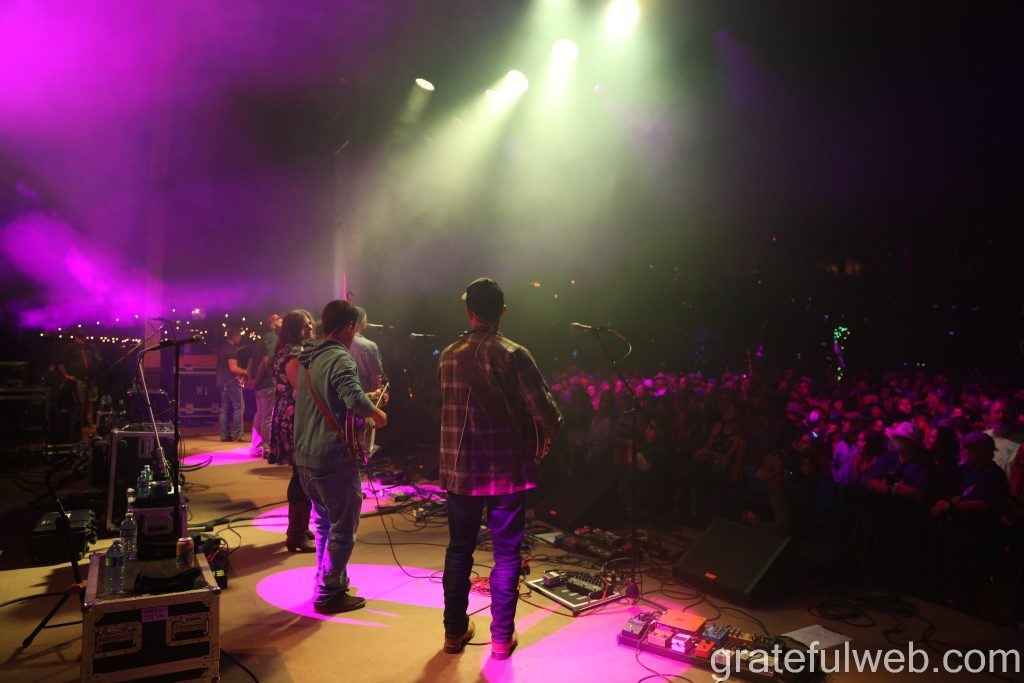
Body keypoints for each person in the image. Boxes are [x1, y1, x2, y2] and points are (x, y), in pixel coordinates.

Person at [439, 277, 561, 660]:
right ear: (502, 312)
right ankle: (501, 639)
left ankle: (454, 633)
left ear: (469, 312)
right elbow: (545, 412)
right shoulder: (514, 354)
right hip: (506, 471)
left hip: (460, 469)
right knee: (507, 556)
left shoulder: (448, 355)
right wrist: (548, 430)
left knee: (459, 551)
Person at [294, 300, 387, 614]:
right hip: (332, 456)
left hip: (305, 456)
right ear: (349, 327)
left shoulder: (309, 356)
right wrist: (378, 413)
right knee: (344, 529)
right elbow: (354, 400)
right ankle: (329, 591)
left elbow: (332, 396)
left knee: (324, 524)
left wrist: (366, 399)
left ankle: (326, 581)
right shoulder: (339, 357)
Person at [268, 310, 316, 552]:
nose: (311, 328)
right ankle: (296, 534)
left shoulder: (285, 350)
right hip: (295, 416)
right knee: (302, 474)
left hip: (288, 413)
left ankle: (298, 528)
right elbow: (303, 389)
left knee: (300, 473)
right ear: (296, 328)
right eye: (307, 325)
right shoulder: (295, 353)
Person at [248, 313, 282, 457]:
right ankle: (267, 448)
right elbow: (267, 359)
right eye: (280, 320)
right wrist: (255, 379)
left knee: (260, 415)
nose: (283, 322)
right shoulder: (273, 338)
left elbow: (251, 361)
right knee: (267, 416)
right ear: (273, 324)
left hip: (260, 384)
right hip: (267, 382)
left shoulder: (261, 339)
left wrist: (251, 379)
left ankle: (256, 447)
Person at [58, 332, 101, 431]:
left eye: (84, 338)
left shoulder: (89, 349)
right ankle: (79, 422)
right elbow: (60, 363)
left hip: (91, 379)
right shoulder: (70, 348)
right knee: (80, 401)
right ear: (76, 338)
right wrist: (66, 375)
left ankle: (89, 420)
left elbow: (99, 360)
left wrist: (95, 351)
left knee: (91, 400)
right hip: (78, 379)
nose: (83, 340)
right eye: (81, 338)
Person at [216, 328, 247, 441]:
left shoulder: (223, 348)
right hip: (231, 381)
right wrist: (246, 371)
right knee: (239, 407)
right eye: (239, 335)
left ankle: (224, 435)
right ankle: (238, 435)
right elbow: (233, 368)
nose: (240, 338)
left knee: (224, 408)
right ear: (235, 336)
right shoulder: (231, 349)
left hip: (222, 381)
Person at [350, 306, 384, 393]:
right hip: (365, 396)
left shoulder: (337, 342)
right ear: (363, 321)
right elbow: (377, 377)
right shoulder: (369, 346)